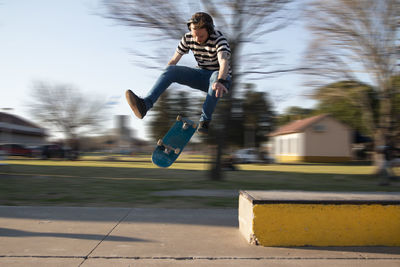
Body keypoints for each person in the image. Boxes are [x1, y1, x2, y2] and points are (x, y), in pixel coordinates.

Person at [125, 12, 232, 135]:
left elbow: (224, 61)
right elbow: (173, 61)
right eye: (194, 35)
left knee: (215, 77)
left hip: (222, 79)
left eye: (201, 36)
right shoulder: (188, 38)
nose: (197, 39)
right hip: (201, 75)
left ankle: (205, 121)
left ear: (209, 30)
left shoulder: (219, 39)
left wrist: (220, 81)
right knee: (171, 70)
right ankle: (145, 105)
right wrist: (165, 77)